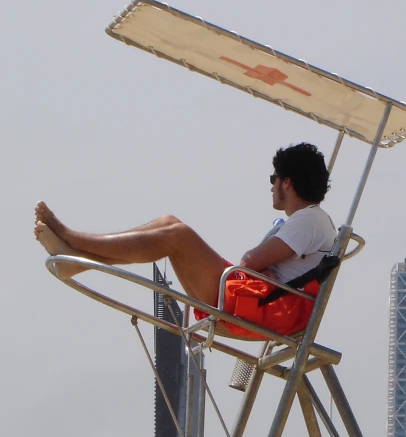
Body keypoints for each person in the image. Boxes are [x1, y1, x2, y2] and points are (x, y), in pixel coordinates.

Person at [34, 143, 336, 340]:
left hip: (259, 305)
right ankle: (75, 260)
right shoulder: (307, 222)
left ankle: (72, 238)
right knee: (169, 222)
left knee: (177, 236)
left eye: (274, 179)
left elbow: (250, 262)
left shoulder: (310, 219)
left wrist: (252, 260)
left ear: (287, 182)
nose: (271, 187)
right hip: (256, 301)